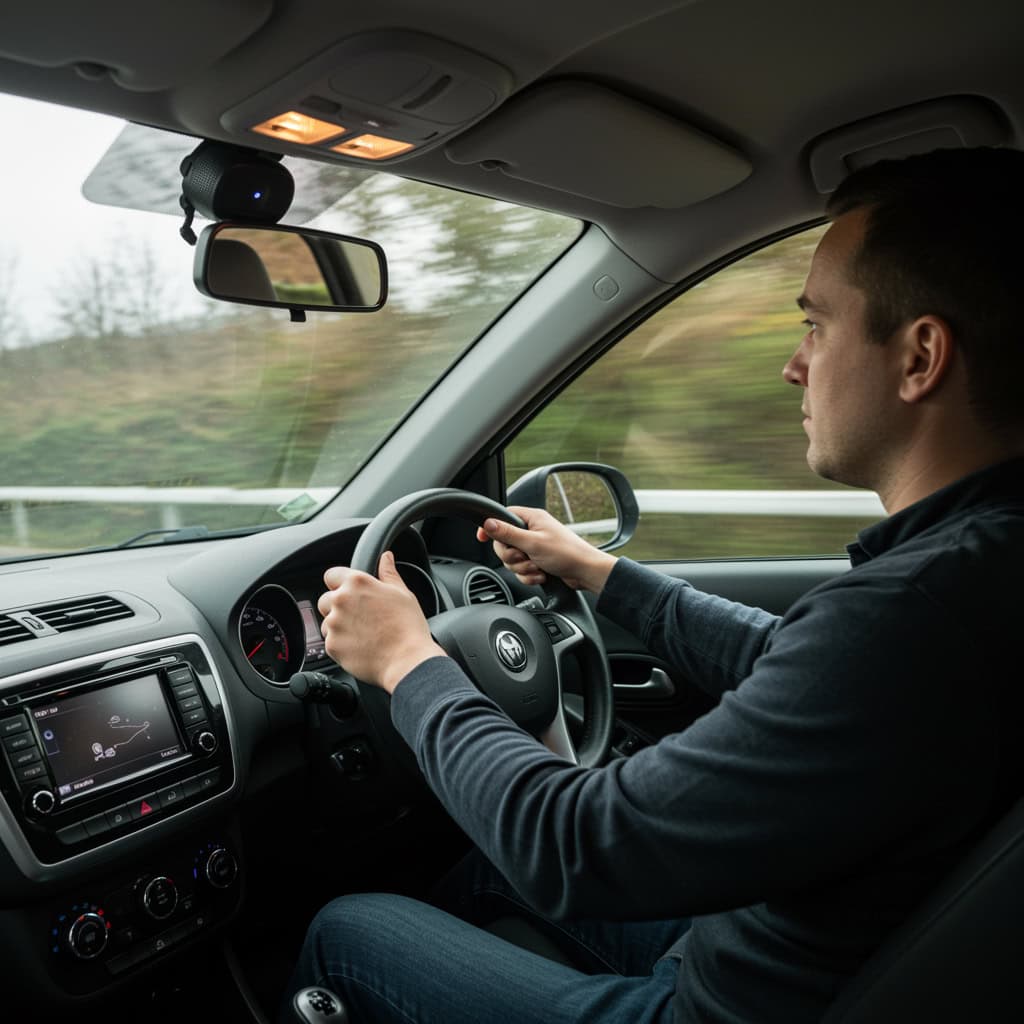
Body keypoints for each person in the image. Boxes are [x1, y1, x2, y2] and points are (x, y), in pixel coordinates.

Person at [282, 146, 1024, 1023]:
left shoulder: (915, 612)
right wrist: (601, 575)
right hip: (794, 954)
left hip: (718, 1007)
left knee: (346, 925)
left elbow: (577, 848)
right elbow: (795, 661)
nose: (795, 365)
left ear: (920, 357)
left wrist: (409, 662)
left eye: (817, 325)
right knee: (483, 870)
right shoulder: (979, 566)